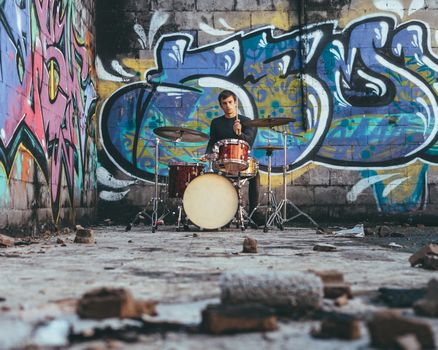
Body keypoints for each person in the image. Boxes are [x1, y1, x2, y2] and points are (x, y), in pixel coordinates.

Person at [204, 90, 261, 224]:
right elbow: (212, 141)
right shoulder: (216, 123)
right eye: (224, 103)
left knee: (256, 174)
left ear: (235, 103)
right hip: (222, 164)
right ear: (221, 105)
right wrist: (207, 154)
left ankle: (253, 212)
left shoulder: (246, 122)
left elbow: (249, 142)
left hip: (241, 162)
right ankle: (221, 213)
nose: (228, 105)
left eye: (230, 102)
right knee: (213, 177)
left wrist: (239, 133)